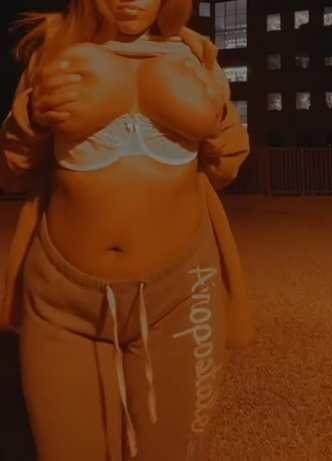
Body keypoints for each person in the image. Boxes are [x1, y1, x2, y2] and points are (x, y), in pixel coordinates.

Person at [0, 0, 255, 460]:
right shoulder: (55, 55)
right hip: (60, 303)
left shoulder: (195, 58)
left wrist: (216, 113)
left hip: (180, 295)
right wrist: (32, 116)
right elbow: (11, 172)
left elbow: (225, 168)